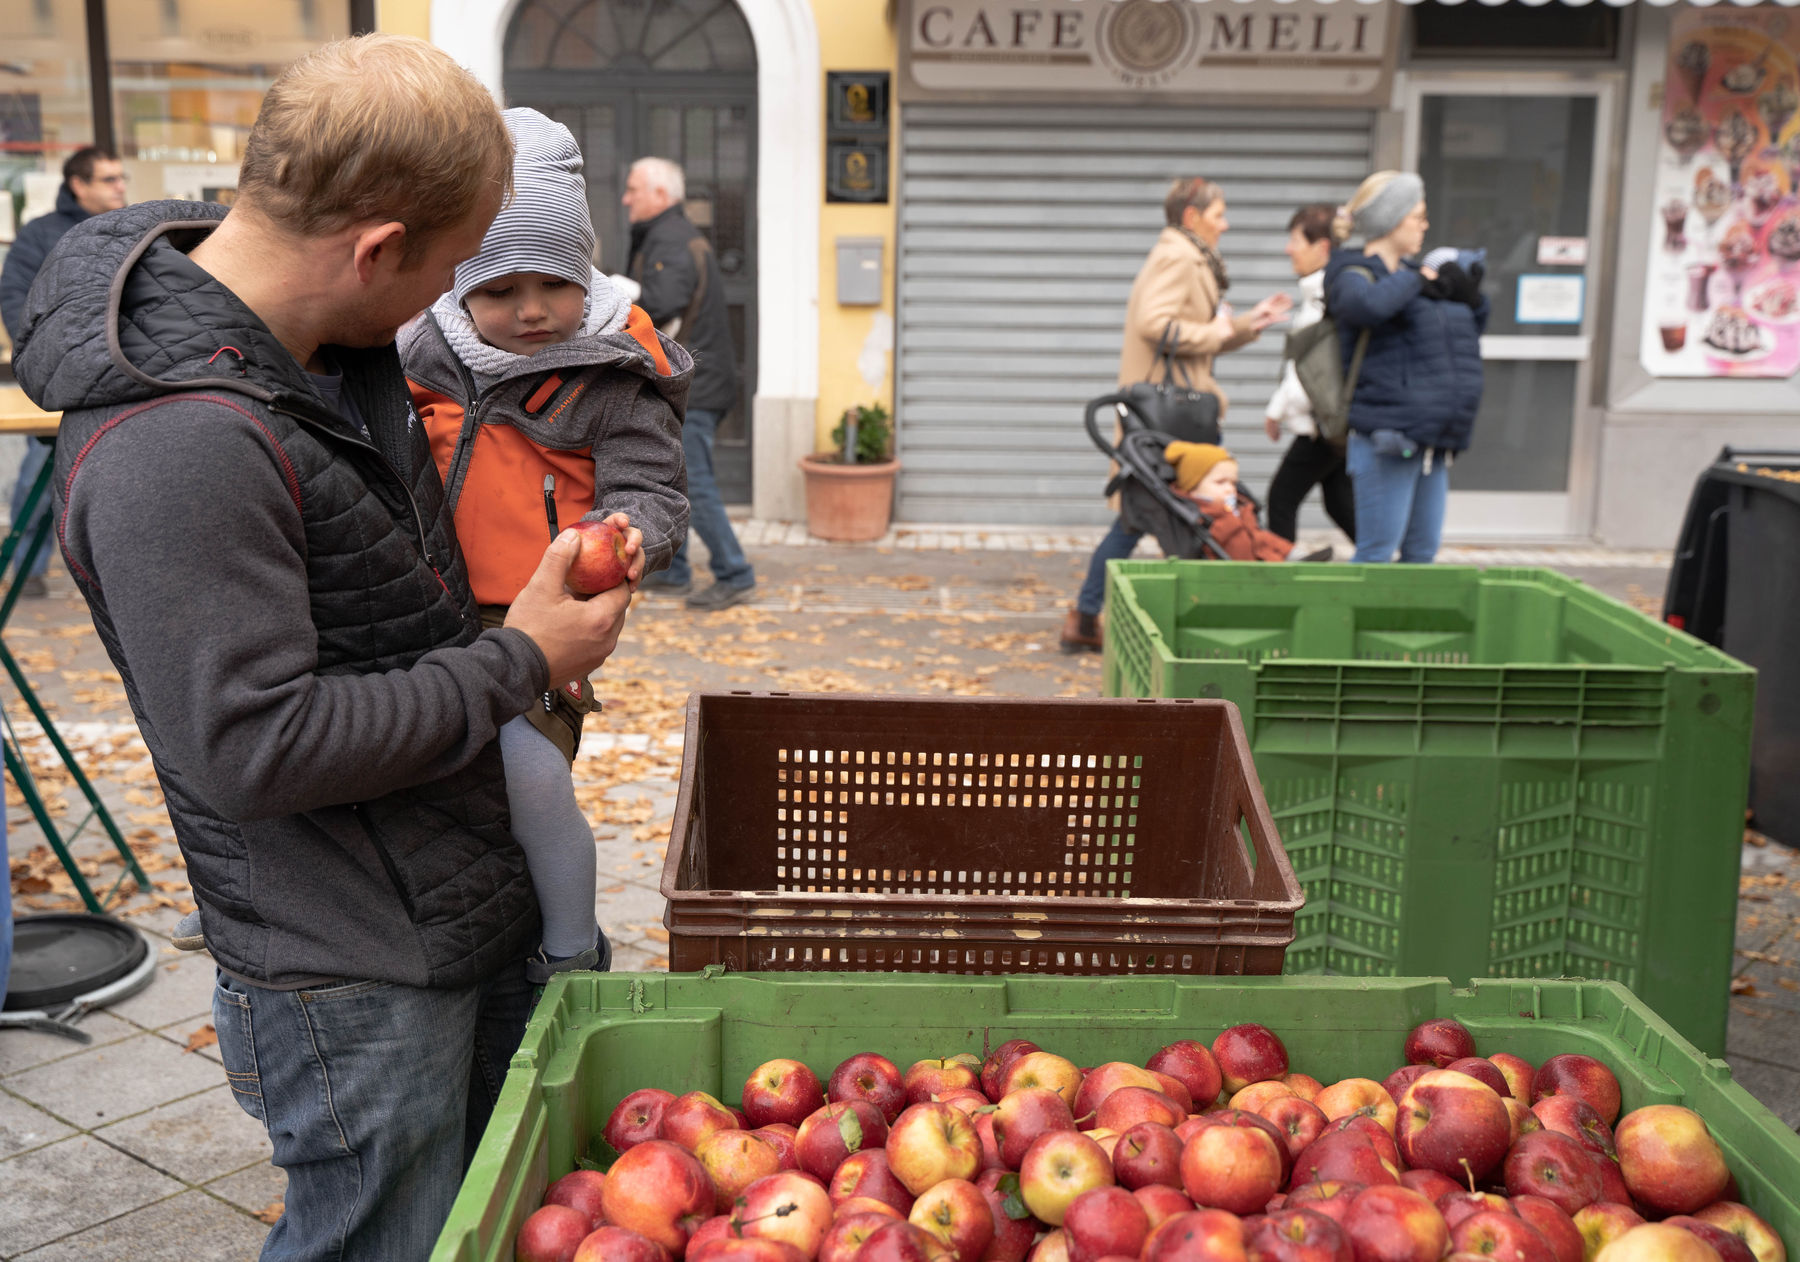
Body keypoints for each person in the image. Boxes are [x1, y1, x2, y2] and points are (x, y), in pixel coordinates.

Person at [10, 35, 633, 1258]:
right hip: (351, 969)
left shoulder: (322, 350)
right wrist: (518, 659)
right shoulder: (179, 444)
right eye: (453, 268)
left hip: (444, 893)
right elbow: (256, 746)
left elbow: (378, 603)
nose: (455, 302)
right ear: (377, 247)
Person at [398, 107, 690, 977]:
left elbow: (651, 484)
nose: (531, 311)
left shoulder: (610, 370)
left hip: (535, 621)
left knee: (528, 773)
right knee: (366, 754)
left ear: (587, 270)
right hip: (419, 607)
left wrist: (629, 531)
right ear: (460, 288)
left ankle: (570, 950)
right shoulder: (420, 351)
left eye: (555, 284)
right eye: (500, 291)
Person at [1061, 177, 1290, 653]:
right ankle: (1182, 619)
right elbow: (1155, 324)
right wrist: (1219, 330)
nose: (1225, 226)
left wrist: (1248, 324)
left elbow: (1199, 331)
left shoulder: (1191, 256)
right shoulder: (1178, 255)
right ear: (1192, 216)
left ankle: (1086, 617)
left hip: (1169, 413)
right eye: (1218, 215)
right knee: (1177, 511)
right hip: (1167, 415)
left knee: (1143, 514)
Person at [1325, 172, 1487, 564]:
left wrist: (1469, 295)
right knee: (1376, 554)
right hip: (1387, 438)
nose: (1425, 225)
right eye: (1418, 216)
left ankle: (1403, 627)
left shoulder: (1416, 278)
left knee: (1421, 554)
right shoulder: (1352, 274)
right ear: (1392, 219)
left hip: (1431, 438)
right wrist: (1417, 279)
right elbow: (1367, 307)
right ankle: (1350, 623)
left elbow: (1469, 325)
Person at [622, 156, 756, 610]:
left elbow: (664, 303)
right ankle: (676, 572)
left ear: (661, 195)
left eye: (633, 189)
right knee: (680, 478)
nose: (625, 198)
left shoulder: (671, 240)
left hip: (694, 382)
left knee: (693, 481)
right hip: (698, 378)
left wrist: (623, 291)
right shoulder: (668, 235)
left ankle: (734, 573)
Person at [0, 145, 127, 597]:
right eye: (109, 179)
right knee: (42, 473)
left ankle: (118, 574)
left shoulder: (130, 229)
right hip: (60, 381)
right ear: (79, 184)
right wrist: (47, 358)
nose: (120, 186)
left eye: (121, 177)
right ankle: (27, 570)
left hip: (122, 377)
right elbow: (15, 297)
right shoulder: (39, 235)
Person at [1262, 204, 1356, 546]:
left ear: (1322, 247)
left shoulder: (1324, 295)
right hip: (1329, 423)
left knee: (1281, 498)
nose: (1289, 249)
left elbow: (1314, 369)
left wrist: (1278, 410)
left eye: (1295, 240)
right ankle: (1384, 566)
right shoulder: (1322, 291)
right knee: (1339, 501)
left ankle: (1276, 583)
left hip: (1322, 424)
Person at [1164, 441, 1293, 562]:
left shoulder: (1237, 508)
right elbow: (1205, 545)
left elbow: (1259, 537)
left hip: (1263, 564)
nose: (1230, 489)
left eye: (1233, 483)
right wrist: (1231, 516)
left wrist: (1288, 550)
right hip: (1236, 576)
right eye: (1220, 482)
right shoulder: (1200, 516)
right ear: (1192, 487)